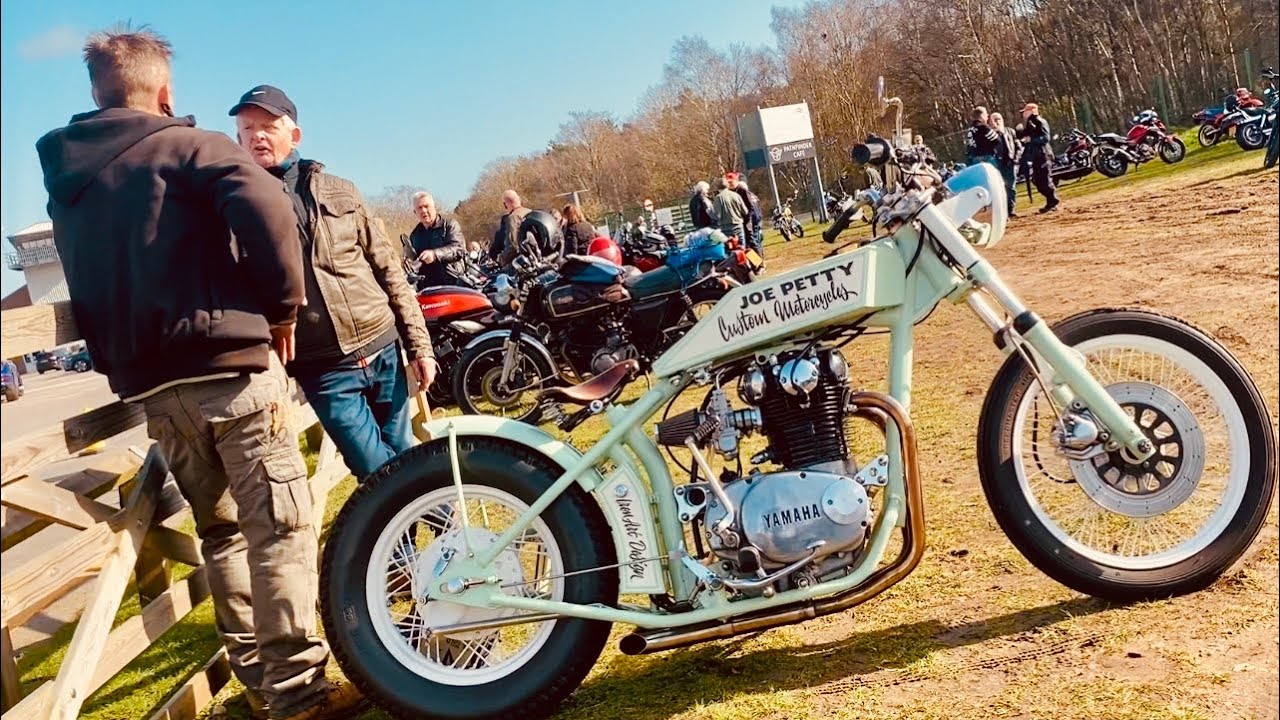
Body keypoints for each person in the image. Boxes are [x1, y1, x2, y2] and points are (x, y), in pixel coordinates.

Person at [37, 26, 363, 720]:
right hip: (231, 371)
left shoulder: (66, 183)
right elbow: (270, 205)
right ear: (164, 92)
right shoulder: (190, 145)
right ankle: (298, 692)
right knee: (277, 529)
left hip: (154, 388)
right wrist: (281, 308)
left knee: (223, 536)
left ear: (97, 94)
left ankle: (258, 690)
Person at [230, 84, 437, 481]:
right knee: (376, 472)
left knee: (404, 454)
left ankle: (432, 540)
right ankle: (427, 529)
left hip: (383, 349)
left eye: (268, 125)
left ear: (294, 135)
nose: (256, 135)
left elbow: (389, 271)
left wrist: (419, 347)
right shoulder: (236, 207)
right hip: (323, 368)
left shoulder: (341, 190)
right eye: (246, 129)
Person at [407, 190, 468, 287]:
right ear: (415, 212)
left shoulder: (449, 225)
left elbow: (459, 249)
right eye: (419, 208)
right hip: (427, 288)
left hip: (453, 284)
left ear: (434, 207)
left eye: (426, 206)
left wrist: (435, 254)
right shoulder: (414, 235)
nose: (423, 211)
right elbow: (414, 261)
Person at [1017, 102, 1061, 213]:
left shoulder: (1040, 122)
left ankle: (1053, 201)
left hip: (1044, 154)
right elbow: (1025, 135)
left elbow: (1046, 138)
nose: (1023, 114)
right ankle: (1051, 201)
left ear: (1031, 111)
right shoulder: (1030, 123)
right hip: (1036, 155)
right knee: (1037, 180)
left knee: (1045, 179)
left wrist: (1031, 140)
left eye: (1025, 111)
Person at [488, 189, 533, 267]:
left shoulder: (513, 218)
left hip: (522, 263)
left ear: (506, 204)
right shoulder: (530, 212)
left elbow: (513, 246)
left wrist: (500, 259)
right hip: (536, 258)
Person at [989, 112, 1021, 217]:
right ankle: (1002, 213)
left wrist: (1016, 160)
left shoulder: (1010, 131)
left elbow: (1018, 147)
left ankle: (1011, 210)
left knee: (1011, 187)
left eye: (998, 119)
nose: (997, 121)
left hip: (1010, 163)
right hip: (997, 165)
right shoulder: (990, 135)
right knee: (999, 189)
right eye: (994, 120)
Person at [712, 176, 748, 245]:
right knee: (742, 248)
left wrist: (710, 212)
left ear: (717, 187)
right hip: (738, 226)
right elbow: (745, 211)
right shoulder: (736, 195)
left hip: (726, 228)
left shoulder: (718, 198)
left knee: (729, 250)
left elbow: (717, 216)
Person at [737, 178, 764, 256]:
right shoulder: (753, 195)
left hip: (752, 221)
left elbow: (748, 209)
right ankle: (761, 256)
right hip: (758, 219)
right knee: (758, 240)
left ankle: (759, 259)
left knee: (754, 240)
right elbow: (759, 207)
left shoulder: (745, 196)